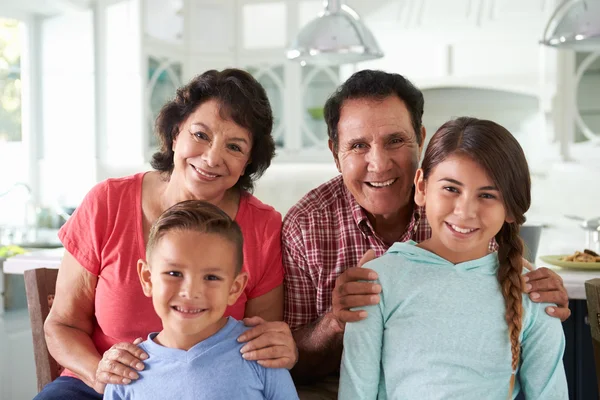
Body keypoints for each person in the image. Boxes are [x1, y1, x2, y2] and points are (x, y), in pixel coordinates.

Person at [282, 70, 570, 397]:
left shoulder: (457, 215)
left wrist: (538, 286)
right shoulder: (306, 225)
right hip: (327, 381)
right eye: (358, 145)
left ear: (419, 137)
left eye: (395, 140)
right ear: (336, 153)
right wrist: (336, 320)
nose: (378, 164)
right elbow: (288, 362)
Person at [38, 69, 297, 400]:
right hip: (95, 385)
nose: (212, 157)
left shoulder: (262, 226)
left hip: (208, 385)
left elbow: (259, 339)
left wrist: (279, 345)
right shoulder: (107, 202)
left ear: (247, 162)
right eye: (200, 135)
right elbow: (62, 325)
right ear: (176, 134)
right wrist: (102, 374)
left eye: (234, 146)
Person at [339, 117, 568, 399]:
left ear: (510, 209)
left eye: (487, 195)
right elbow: (355, 392)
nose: (464, 211)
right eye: (451, 189)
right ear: (422, 187)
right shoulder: (376, 283)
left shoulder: (533, 294)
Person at [103, 200, 299, 400]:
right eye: (174, 273)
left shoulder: (261, 355)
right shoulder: (125, 373)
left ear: (235, 288)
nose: (190, 292)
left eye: (211, 277)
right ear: (147, 278)